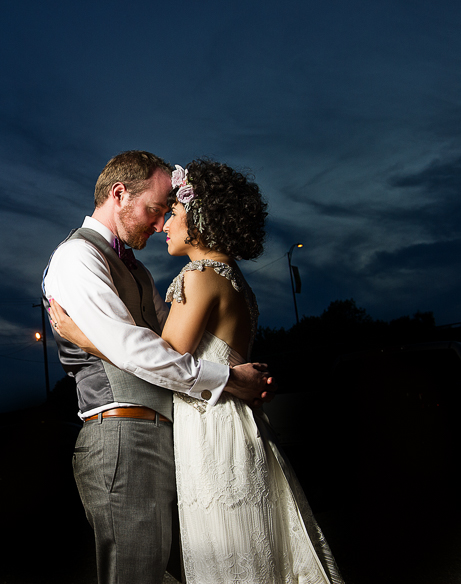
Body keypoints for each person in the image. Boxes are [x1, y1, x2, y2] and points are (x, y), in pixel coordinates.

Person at [51, 159, 344, 583]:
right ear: (119, 194)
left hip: (189, 429)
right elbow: (141, 351)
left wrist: (85, 336)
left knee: (216, 553)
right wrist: (228, 378)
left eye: (171, 211)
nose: (160, 223)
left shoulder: (165, 273)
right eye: (158, 208)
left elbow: (156, 349)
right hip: (126, 432)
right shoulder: (78, 256)